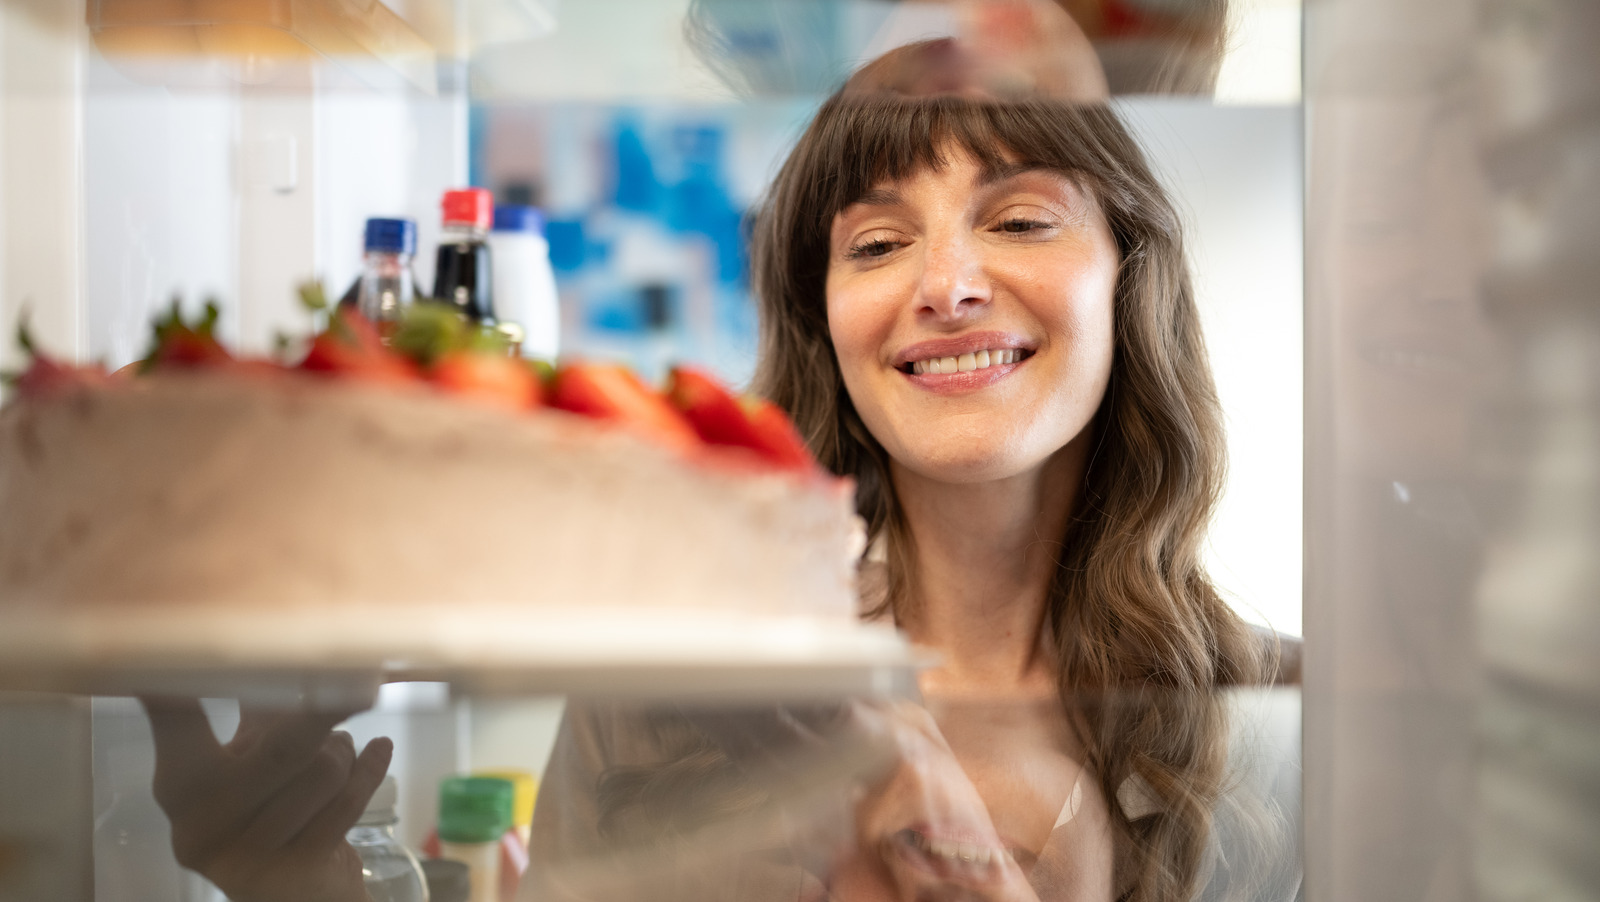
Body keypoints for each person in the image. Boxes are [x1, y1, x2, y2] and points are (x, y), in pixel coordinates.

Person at [144, 23, 1296, 902]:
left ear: (1128, 281)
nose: (944, 284)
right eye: (879, 243)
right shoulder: (660, 692)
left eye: (1020, 220)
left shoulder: (1287, 716)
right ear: (828, 325)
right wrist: (295, 882)